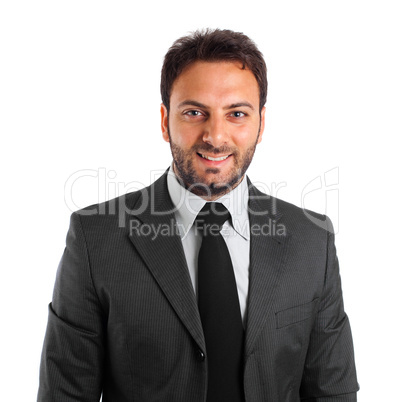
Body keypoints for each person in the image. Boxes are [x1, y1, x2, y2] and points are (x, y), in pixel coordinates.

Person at [37, 29, 359, 401]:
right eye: (194, 112)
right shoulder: (96, 239)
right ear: (164, 120)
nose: (215, 135)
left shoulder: (311, 239)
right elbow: (65, 393)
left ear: (261, 124)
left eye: (237, 113)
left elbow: (332, 392)